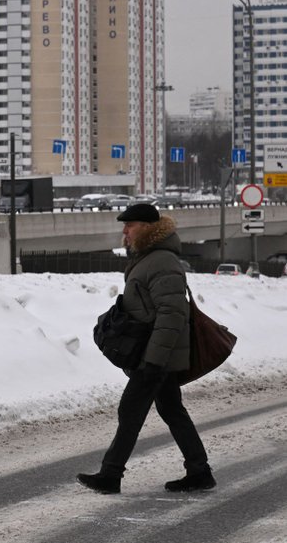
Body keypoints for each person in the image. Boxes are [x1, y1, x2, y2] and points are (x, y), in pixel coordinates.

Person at [77, 203, 214, 494]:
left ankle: (110, 475)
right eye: (124, 226)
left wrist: (154, 360)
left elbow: (172, 313)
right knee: (172, 410)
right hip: (154, 353)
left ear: (148, 228)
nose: (124, 231)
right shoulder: (149, 258)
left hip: (156, 357)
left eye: (131, 225)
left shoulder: (162, 261)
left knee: (131, 410)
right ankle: (199, 470)